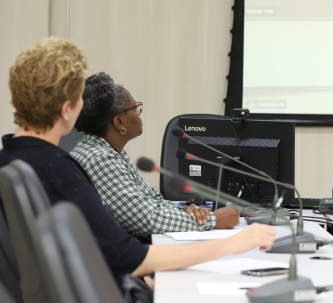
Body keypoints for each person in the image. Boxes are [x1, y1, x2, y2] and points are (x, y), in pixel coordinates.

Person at [0, 37, 276, 284]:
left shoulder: (13, 161)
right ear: (66, 109)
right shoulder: (58, 170)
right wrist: (234, 243)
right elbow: (128, 257)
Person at [71, 72, 238, 238]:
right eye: (135, 108)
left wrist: (186, 212)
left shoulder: (108, 151)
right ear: (119, 122)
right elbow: (146, 219)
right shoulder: (100, 158)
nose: (138, 113)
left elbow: (150, 200)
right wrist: (214, 220)